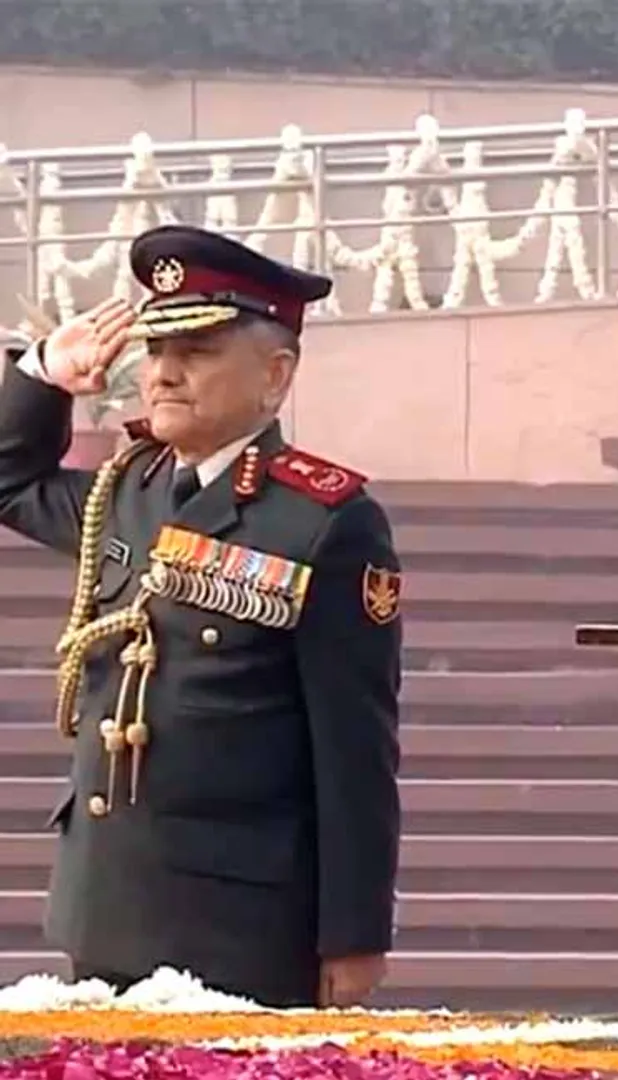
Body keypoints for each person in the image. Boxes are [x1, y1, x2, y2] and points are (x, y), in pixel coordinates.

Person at [0, 225, 403, 1008]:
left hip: (239, 924)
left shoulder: (325, 521)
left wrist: (353, 937)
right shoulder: (127, 490)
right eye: (155, 353)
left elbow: (355, 748)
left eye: (200, 352)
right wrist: (44, 374)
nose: (165, 374)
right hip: (106, 901)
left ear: (275, 375)